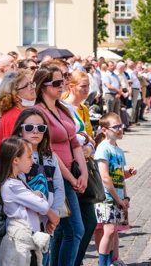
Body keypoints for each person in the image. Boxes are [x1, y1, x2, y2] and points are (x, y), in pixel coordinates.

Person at [33, 64, 88, 266]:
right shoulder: (38, 112)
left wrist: (83, 172)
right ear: (42, 86)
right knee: (65, 230)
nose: (62, 85)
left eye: (62, 81)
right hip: (51, 178)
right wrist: (72, 177)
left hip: (69, 176)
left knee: (71, 230)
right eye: (56, 82)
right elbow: (48, 149)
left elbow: (74, 141)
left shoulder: (62, 108)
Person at [13, 108, 64, 265]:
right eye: (29, 127)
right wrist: (48, 213)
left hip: (46, 223)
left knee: (44, 260)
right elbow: (18, 191)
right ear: (20, 130)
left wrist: (52, 216)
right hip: (24, 223)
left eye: (41, 128)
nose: (35, 131)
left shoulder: (50, 157)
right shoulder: (14, 157)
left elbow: (59, 188)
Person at [0, 137, 51, 265]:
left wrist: (35, 196)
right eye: (29, 156)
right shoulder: (12, 185)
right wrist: (38, 194)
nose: (32, 160)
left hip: (27, 242)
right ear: (15, 159)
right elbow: (44, 207)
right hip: (22, 246)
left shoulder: (18, 181)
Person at [63, 70, 98, 266]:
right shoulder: (65, 107)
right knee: (70, 226)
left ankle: (77, 259)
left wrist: (89, 147)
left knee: (89, 222)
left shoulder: (83, 109)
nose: (87, 90)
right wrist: (82, 145)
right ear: (72, 87)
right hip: (71, 169)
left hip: (85, 166)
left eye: (88, 86)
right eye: (83, 86)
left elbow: (90, 138)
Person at [94, 113, 137, 266]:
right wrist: (118, 199)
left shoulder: (118, 150)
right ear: (104, 130)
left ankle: (110, 261)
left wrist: (125, 198)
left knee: (113, 232)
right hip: (106, 198)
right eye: (116, 127)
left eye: (121, 126)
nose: (120, 129)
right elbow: (105, 177)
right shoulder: (102, 148)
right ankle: (103, 263)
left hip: (118, 197)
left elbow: (120, 176)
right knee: (109, 231)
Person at [0, 69, 36, 158]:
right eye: (26, 85)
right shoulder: (13, 117)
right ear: (15, 95)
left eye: (31, 83)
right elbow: (13, 153)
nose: (32, 87)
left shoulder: (22, 113)